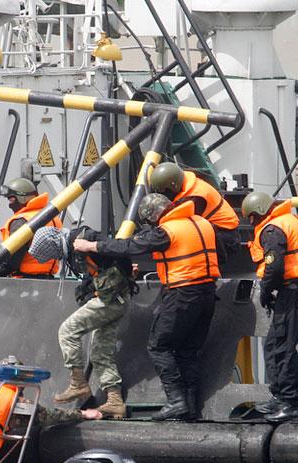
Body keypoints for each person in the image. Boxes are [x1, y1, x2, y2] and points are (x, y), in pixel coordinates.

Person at [73, 193, 219, 421]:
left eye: (150, 221)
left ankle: (176, 401)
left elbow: (130, 245)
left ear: (154, 215)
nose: (152, 226)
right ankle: (190, 407)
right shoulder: (202, 223)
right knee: (187, 351)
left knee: (159, 346)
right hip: (208, 293)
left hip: (182, 293)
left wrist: (91, 245)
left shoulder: (167, 230)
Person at [28, 225, 138, 418]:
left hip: (110, 300)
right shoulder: (73, 249)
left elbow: (118, 248)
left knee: (68, 331)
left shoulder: (84, 238)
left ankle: (78, 384)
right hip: (114, 299)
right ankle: (114, 401)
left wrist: (91, 246)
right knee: (100, 352)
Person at [242, 191, 298, 423]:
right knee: (273, 345)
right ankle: (279, 396)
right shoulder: (288, 220)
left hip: (294, 291)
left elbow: (273, 267)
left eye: (251, 218)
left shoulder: (272, 230)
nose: (251, 223)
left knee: (281, 348)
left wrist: (265, 292)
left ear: (258, 213)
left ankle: (290, 402)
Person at [149, 162, 240, 263]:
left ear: (173, 186)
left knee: (186, 230)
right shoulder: (184, 182)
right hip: (219, 232)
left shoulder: (196, 197)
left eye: (165, 191)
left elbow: (176, 220)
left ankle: (211, 264)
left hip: (226, 238)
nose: (164, 194)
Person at [0, 177, 63, 278]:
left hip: (24, 282)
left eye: (11, 199)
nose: (9, 204)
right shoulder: (52, 218)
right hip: (48, 280)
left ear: (22, 198)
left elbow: (12, 261)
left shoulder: (22, 221)